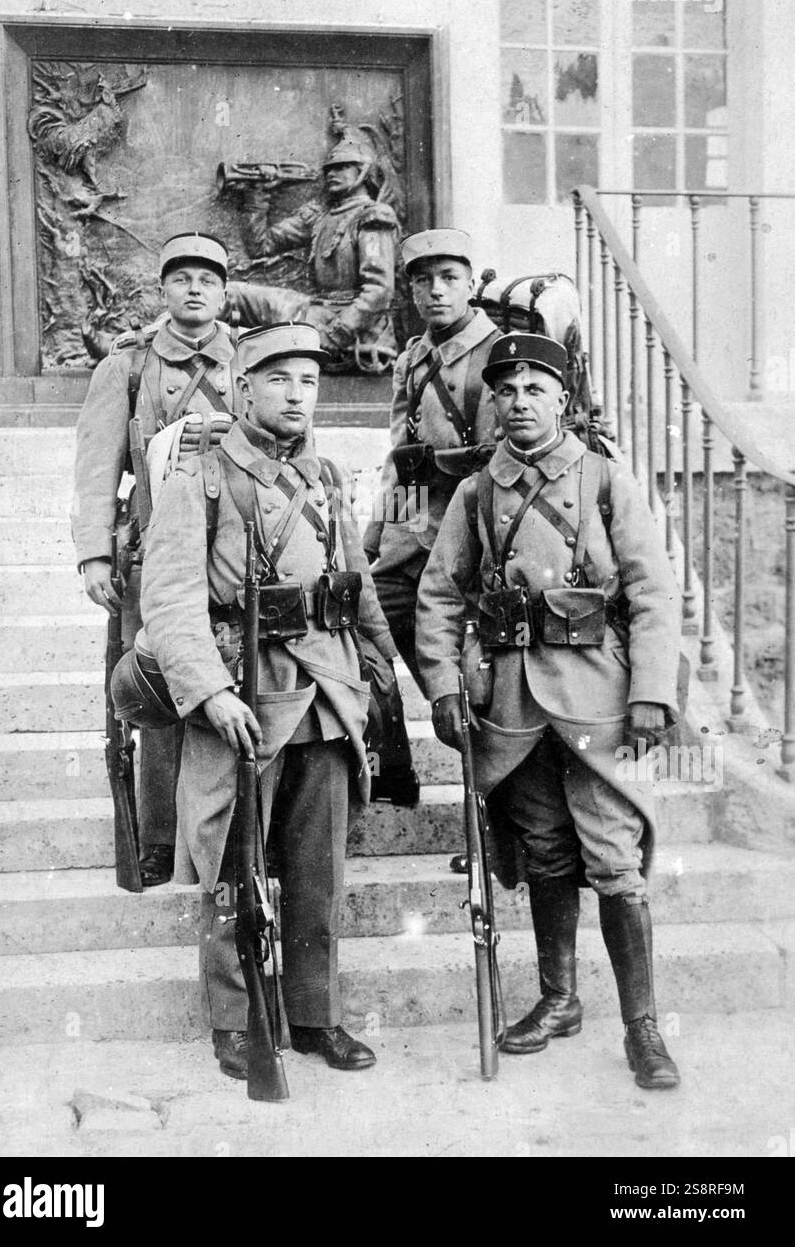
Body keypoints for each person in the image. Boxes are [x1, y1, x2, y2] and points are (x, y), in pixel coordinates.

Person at [415, 332, 682, 1091]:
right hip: (513, 702)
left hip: (599, 694)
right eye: (506, 390)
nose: (520, 401)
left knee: (614, 860)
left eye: (536, 387)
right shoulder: (475, 492)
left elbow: (653, 590)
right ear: (492, 403)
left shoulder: (602, 479)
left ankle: (643, 1028)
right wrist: (442, 684)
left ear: (563, 398)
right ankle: (560, 999)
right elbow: (438, 596)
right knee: (545, 851)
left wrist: (652, 691)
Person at [139, 321, 397, 1079]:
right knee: (230, 860)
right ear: (243, 388)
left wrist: (379, 663)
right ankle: (236, 1019)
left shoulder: (324, 475)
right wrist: (210, 694)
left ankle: (316, 1014)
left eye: (310, 382)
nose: (297, 395)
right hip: (243, 690)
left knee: (319, 868)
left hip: (323, 688)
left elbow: (356, 579)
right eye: (280, 380)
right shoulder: (202, 478)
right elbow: (173, 601)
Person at [71, 231, 305, 886]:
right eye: (182, 278)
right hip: (155, 555)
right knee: (160, 695)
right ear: (164, 290)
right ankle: (159, 844)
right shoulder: (130, 365)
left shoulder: (251, 360)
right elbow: (96, 467)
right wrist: (94, 553)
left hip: (239, 558)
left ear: (225, 290)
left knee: (246, 688)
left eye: (208, 278)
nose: (195, 289)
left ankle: (242, 845)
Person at [363, 228, 500, 690]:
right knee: (371, 612)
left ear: (470, 285)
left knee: (469, 678)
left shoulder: (496, 354)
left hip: (470, 533)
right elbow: (400, 456)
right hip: (415, 525)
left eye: (448, 277)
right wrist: (376, 535)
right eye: (423, 281)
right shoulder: (415, 358)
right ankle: (397, 750)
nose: (436, 290)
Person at [240, 133, 399, 369]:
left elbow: (379, 291)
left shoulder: (373, 216)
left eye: (342, 167)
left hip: (351, 327)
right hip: (316, 312)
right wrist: (257, 192)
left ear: (363, 171)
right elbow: (260, 246)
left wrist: (337, 333)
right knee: (233, 295)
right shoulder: (320, 217)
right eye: (329, 169)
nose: (331, 174)